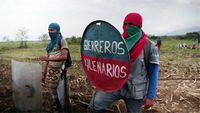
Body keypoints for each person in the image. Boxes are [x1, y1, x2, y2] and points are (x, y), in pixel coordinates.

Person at [87, 12, 159, 113]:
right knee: (95, 106)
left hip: (135, 91)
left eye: (131, 24)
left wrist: (150, 96)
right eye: (125, 24)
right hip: (114, 85)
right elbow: (107, 62)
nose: (127, 27)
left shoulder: (149, 46)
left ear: (139, 26)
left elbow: (153, 72)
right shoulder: (117, 43)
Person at [39, 22, 69, 111]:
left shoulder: (62, 40)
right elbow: (47, 60)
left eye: (52, 30)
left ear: (57, 30)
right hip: (51, 72)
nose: (50, 32)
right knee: (54, 93)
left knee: (62, 95)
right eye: (49, 30)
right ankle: (59, 109)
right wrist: (44, 74)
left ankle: (65, 109)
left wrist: (48, 59)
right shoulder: (50, 44)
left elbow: (64, 56)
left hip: (60, 72)